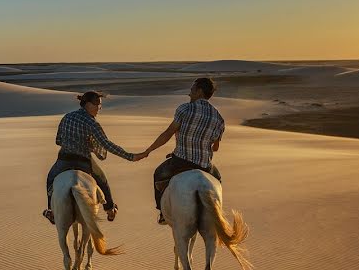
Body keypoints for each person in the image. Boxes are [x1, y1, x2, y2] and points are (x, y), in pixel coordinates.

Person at [43, 91, 146, 225]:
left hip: (64, 160)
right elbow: (107, 144)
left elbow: (58, 140)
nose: (99, 108)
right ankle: (110, 209)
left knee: (51, 179)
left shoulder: (67, 117)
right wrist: (130, 157)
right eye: (96, 104)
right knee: (102, 181)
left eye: (100, 105)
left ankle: (52, 211)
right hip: (83, 161)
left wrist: (71, 142)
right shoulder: (92, 123)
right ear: (86, 104)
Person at [139, 77, 225, 224]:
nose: (189, 93)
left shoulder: (185, 109)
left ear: (199, 91)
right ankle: (217, 213)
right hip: (205, 166)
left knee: (158, 174)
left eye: (192, 90)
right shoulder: (219, 118)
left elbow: (168, 133)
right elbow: (215, 148)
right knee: (217, 180)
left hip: (180, 161)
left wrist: (148, 150)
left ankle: (163, 213)